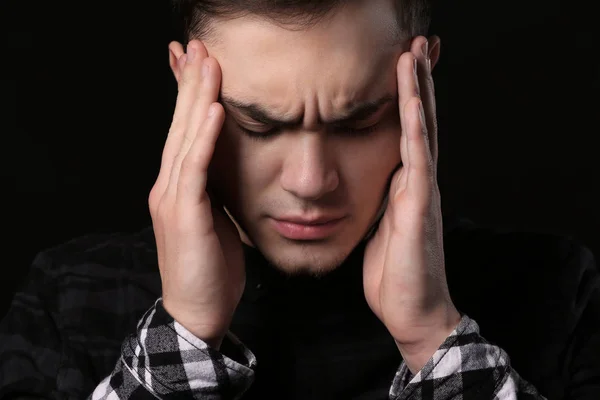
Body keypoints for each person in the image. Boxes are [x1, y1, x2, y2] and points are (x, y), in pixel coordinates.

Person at [1, 0, 599, 398]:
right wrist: (184, 335)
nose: (311, 183)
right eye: (258, 126)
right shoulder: (68, 297)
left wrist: (434, 338)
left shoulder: (558, 289)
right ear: (186, 86)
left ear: (423, 79)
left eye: (360, 122)